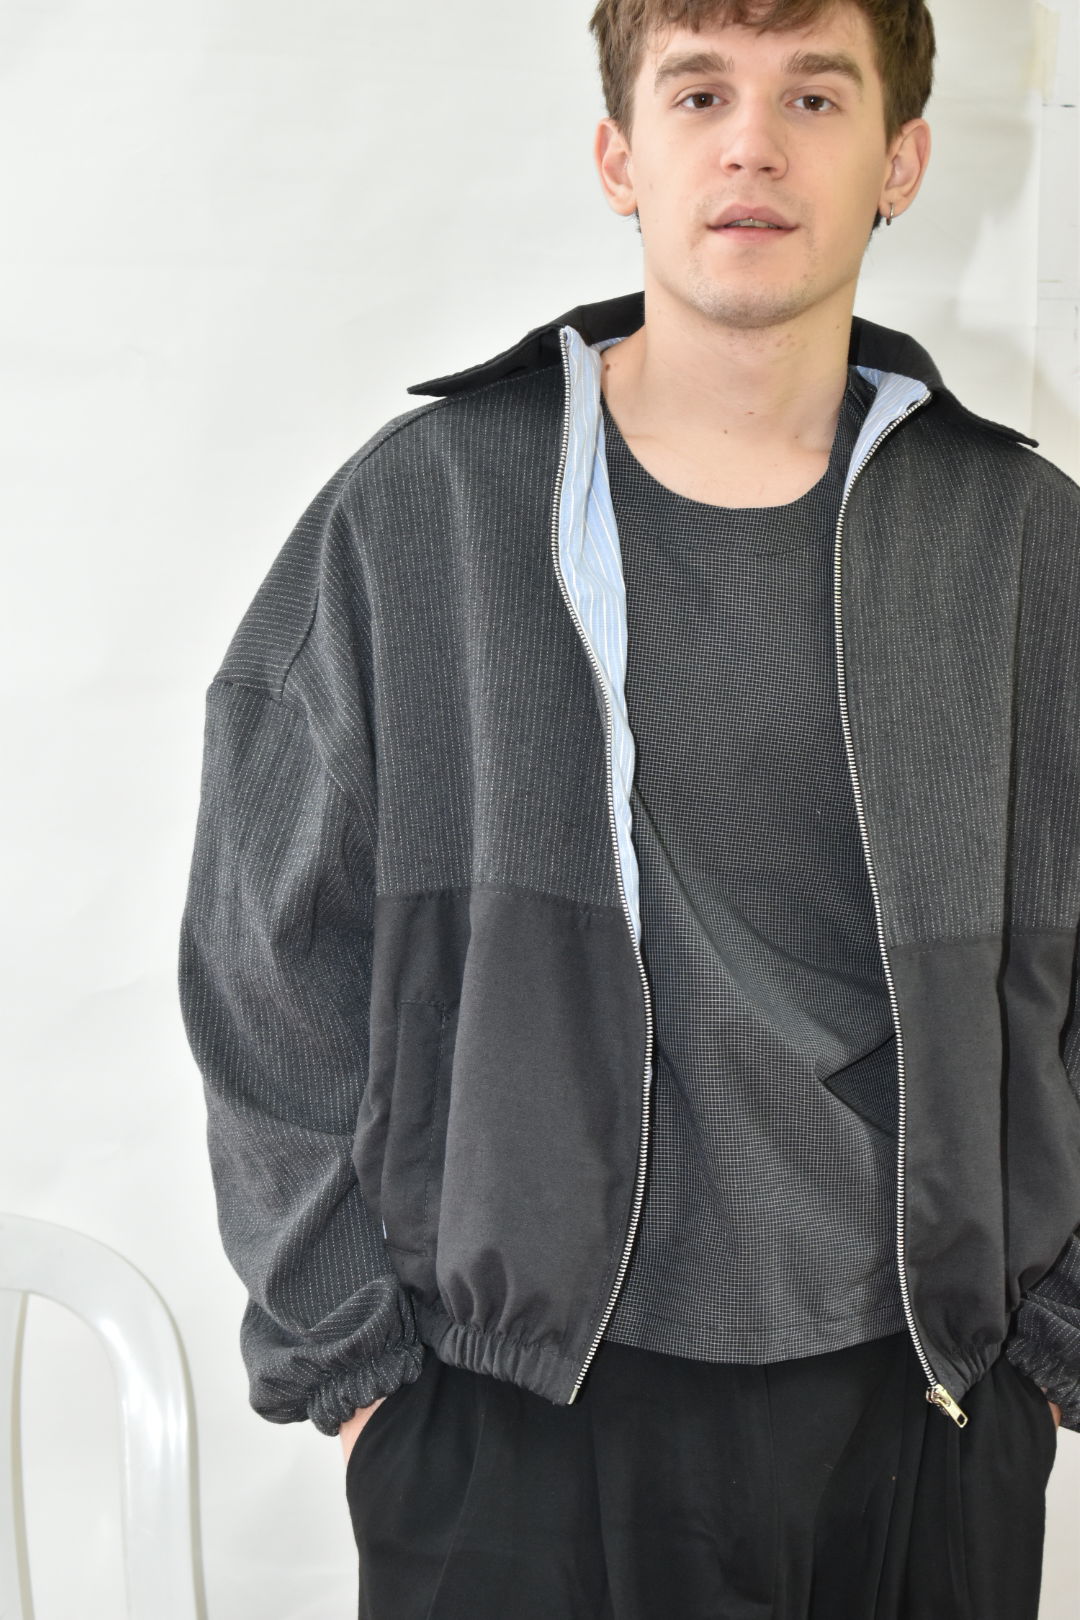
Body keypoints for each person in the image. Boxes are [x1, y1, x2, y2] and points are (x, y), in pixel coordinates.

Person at [178, 1, 1080, 1615]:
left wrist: (1053, 1347)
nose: (755, 144)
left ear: (903, 162)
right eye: (700, 93)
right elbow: (261, 962)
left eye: (817, 96)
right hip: (513, 1419)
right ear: (620, 156)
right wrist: (363, 1377)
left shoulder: (1019, 545)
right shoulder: (429, 511)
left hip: (917, 1419)